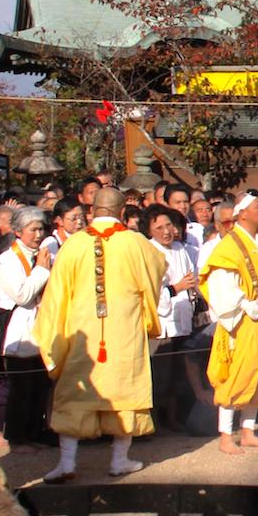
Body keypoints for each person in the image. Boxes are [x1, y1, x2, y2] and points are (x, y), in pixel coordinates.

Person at [34, 186, 168, 483]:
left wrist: (53, 333)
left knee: (74, 392)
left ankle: (67, 462)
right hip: (124, 330)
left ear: (92, 210)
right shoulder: (136, 243)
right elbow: (159, 269)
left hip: (81, 331)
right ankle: (119, 460)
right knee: (125, 391)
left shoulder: (73, 244)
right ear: (122, 211)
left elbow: (56, 294)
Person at [199, 193, 258, 454]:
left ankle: (248, 430)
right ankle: (225, 436)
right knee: (236, 376)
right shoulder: (228, 247)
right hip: (242, 321)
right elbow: (221, 283)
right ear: (242, 214)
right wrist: (244, 304)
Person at [0, 208, 54, 450]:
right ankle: (16, 436)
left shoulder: (41, 254)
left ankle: (35, 432)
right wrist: (42, 270)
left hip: (40, 327)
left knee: (38, 385)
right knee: (20, 388)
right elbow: (22, 295)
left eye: (41, 229)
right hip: (17, 330)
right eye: (32, 230)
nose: (38, 235)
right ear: (17, 231)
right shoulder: (8, 260)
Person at [146, 206, 202, 434]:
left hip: (183, 318)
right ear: (149, 230)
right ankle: (155, 421)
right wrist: (176, 288)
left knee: (178, 374)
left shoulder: (181, 249)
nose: (167, 231)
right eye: (159, 227)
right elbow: (151, 291)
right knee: (159, 374)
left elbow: (191, 277)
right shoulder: (148, 251)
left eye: (169, 225)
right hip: (162, 323)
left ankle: (173, 417)